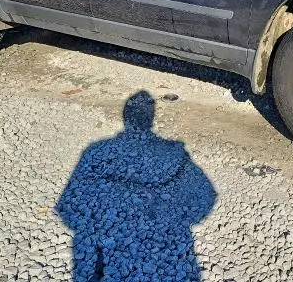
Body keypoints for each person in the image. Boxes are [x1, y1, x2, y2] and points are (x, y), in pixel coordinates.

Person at [57, 91, 216, 282]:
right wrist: (182, 222)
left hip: (106, 253)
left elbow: (66, 207)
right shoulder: (175, 152)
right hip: (167, 247)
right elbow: (208, 194)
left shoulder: (96, 151)